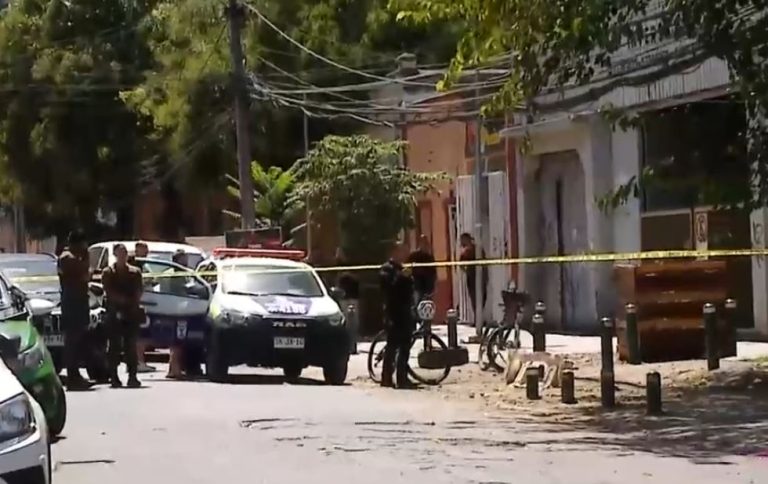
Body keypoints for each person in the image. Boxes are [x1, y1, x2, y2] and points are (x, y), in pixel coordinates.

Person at [102, 243, 144, 388]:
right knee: (114, 346)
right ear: (115, 255)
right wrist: (122, 301)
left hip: (131, 313)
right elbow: (108, 291)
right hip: (114, 313)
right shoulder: (108, 272)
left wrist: (131, 303)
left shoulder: (135, 272)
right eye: (119, 253)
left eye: (124, 253)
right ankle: (114, 377)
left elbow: (139, 291)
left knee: (131, 346)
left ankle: (132, 376)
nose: (122, 256)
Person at [57, 230, 93, 391]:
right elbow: (85, 273)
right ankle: (73, 376)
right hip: (72, 303)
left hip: (78, 301)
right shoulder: (68, 258)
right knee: (72, 340)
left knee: (77, 340)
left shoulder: (75, 257)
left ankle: (76, 374)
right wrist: (86, 258)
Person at [379, 240, 416, 389]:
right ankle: (386, 377)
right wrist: (401, 276)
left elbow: (409, 289)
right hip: (393, 313)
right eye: (401, 251)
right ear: (394, 252)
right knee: (392, 346)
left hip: (405, 312)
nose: (404, 254)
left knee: (405, 347)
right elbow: (389, 289)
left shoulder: (402, 268)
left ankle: (402, 377)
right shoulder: (386, 269)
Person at [130, 241, 155, 374]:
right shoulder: (135, 265)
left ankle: (139, 361)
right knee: (140, 334)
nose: (146, 253)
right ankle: (138, 362)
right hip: (139, 303)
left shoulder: (144, 264)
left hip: (145, 302)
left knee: (142, 334)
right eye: (144, 250)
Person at [334, 248, 360, 354]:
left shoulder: (351, 265)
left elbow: (357, 279)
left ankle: (352, 346)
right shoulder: (338, 265)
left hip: (352, 298)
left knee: (352, 324)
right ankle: (348, 346)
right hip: (345, 298)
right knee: (347, 324)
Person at [459, 232, 488, 321]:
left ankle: (479, 318)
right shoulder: (466, 252)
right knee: (474, 298)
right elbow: (461, 264)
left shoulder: (476, 250)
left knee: (481, 298)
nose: (462, 243)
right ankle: (477, 318)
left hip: (480, 277)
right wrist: (467, 270)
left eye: (463, 240)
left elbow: (484, 263)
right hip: (472, 278)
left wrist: (485, 275)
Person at [407, 234, 437, 302]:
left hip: (427, 288)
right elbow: (407, 269)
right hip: (417, 287)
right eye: (423, 242)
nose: (425, 245)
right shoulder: (414, 256)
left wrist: (433, 286)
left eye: (426, 243)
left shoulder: (429, 257)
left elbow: (433, 272)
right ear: (419, 244)